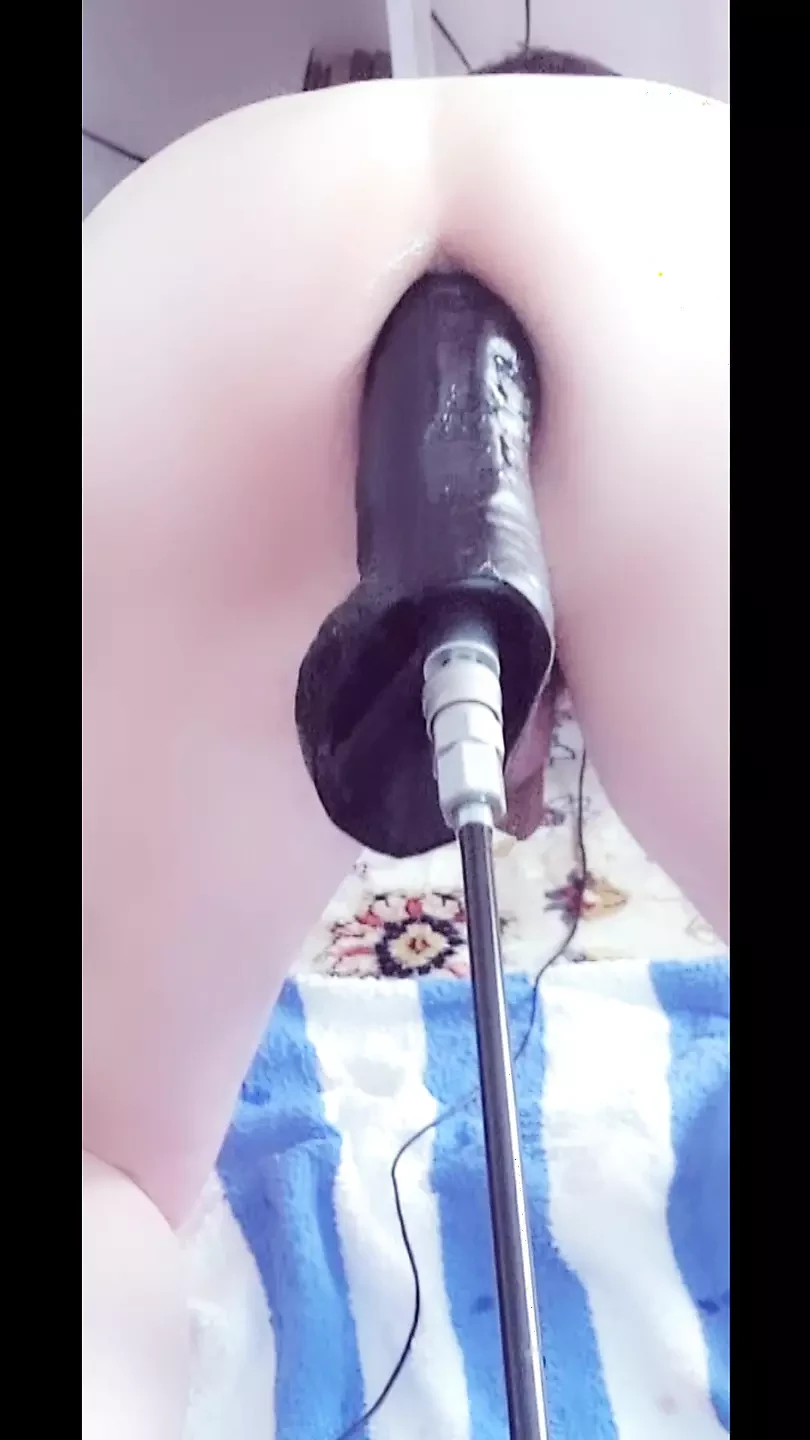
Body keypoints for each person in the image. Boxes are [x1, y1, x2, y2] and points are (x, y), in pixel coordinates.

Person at [82, 46, 728, 1440]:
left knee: (98, 1175)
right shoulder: (661, 153)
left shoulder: (235, 177)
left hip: (208, 258)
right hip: (687, 237)